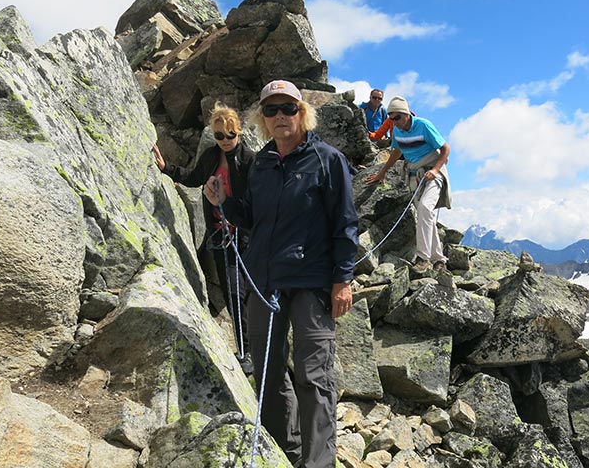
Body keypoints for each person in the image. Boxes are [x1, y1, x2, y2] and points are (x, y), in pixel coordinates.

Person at [203, 79, 358, 468]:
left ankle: (318, 462)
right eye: (271, 110)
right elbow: (251, 219)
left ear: (302, 113)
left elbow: (346, 223)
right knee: (268, 374)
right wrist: (222, 202)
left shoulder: (327, 159)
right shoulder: (263, 164)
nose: (280, 117)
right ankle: (283, 453)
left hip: (312, 283)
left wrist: (343, 280)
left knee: (313, 375)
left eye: (288, 108)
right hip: (265, 281)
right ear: (262, 119)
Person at [153, 102, 255, 372]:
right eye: (219, 135)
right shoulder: (211, 155)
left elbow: (257, 202)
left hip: (245, 237)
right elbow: (195, 177)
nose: (225, 140)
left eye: (230, 135)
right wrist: (167, 168)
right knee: (234, 292)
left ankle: (253, 350)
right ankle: (246, 351)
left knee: (247, 293)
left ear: (239, 132)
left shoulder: (250, 160)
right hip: (221, 236)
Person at [366, 96, 451, 271]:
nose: (394, 122)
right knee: (425, 216)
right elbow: (397, 151)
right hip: (414, 175)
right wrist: (382, 172)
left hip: (433, 172)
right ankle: (439, 260)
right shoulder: (397, 131)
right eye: (391, 118)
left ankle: (422, 258)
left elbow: (445, 149)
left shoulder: (423, 125)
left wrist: (435, 170)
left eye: (397, 117)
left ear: (406, 114)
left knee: (425, 209)